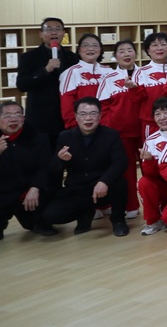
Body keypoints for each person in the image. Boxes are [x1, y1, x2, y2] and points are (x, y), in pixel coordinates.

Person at [34, 97, 129, 237]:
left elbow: (120, 162)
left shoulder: (111, 135)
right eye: (83, 114)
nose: (88, 118)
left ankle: (118, 220)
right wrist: (60, 160)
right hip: (76, 189)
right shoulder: (65, 137)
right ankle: (85, 214)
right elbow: (52, 169)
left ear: (100, 115)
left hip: (101, 188)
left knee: (120, 183)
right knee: (51, 215)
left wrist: (104, 181)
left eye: (93, 113)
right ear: (76, 116)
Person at [96, 39, 142, 218]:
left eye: (130, 50)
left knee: (150, 167)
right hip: (121, 133)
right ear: (115, 56)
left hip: (144, 130)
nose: (126, 54)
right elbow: (103, 107)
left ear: (135, 53)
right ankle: (131, 206)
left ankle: (157, 204)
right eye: (121, 51)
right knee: (126, 170)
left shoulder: (144, 73)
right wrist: (110, 131)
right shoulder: (109, 78)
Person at [16, 17, 79, 147]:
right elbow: (22, 85)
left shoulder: (72, 57)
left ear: (64, 33)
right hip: (41, 119)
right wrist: (45, 70)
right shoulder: (29, 57)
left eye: (58, 29)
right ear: (41, 34)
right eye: (49, 29)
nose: (54, 33)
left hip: (67, 118)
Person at [0, 102, 50, 241]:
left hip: (28, 194)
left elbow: (45, 167)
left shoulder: (39, 138)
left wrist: (35, 188)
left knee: (39, 224)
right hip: (3, 195)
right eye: (8, 115)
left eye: (17, 115)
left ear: (23, 118)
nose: (13, 119)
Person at [137, 97, 167, 236]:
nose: (162, 118)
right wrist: (149, 161)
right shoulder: (151, 140)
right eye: (157, 114)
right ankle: (153, 221)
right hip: (164, 185)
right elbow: (150, 175)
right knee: (143, 182)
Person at [131, 32, 167, 140]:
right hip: (151, 123)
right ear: (148, 51)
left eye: (163, 44)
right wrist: (133, 89)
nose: (159, 48)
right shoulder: (141, 72)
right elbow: (138, 99)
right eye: (154, 45)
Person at [59, 33, 108, 129]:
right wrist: (74, 127)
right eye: (86, 45)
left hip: (107, 126)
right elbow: (67, 104)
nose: (90, 48)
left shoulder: (109, 72)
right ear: (79, 50)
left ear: (100, 50)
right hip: (82, 128)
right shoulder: (71, 72)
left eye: (95, 45)